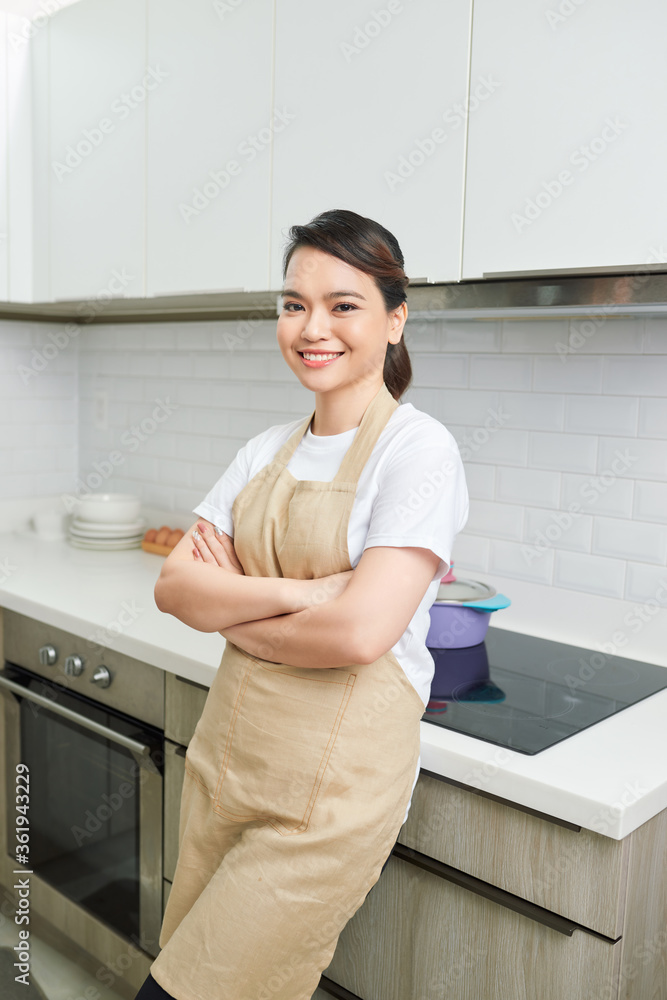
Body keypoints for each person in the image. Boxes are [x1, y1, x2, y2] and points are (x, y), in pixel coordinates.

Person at [134, 208, 468, 1000]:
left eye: (342, 305)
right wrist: (303, 593)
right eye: (293, 305)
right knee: (193, 965)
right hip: (227, 771)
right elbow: (175, 587)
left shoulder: (417, 450)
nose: (311, 327)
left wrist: (236, 608)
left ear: (395, 318)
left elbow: (358, 634)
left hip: (326, 801)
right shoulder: (264, 448)